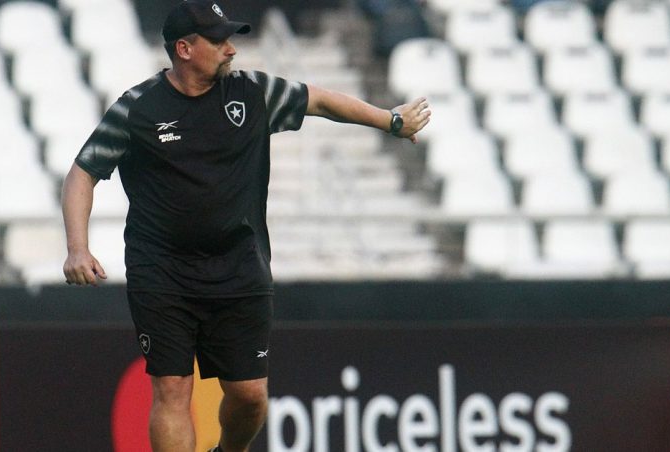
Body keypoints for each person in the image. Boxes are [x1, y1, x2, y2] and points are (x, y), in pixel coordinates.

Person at [61, 1, 430, 451]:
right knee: (172, 388)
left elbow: (320, 100)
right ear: (184, 49)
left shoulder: (252, 93)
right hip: (161, 273)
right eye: (218, 40)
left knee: (250, 397)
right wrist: (77, 248)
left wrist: (390, 121)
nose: (231, 49)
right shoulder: (138, 108)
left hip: (239, 267)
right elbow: (82, 173)